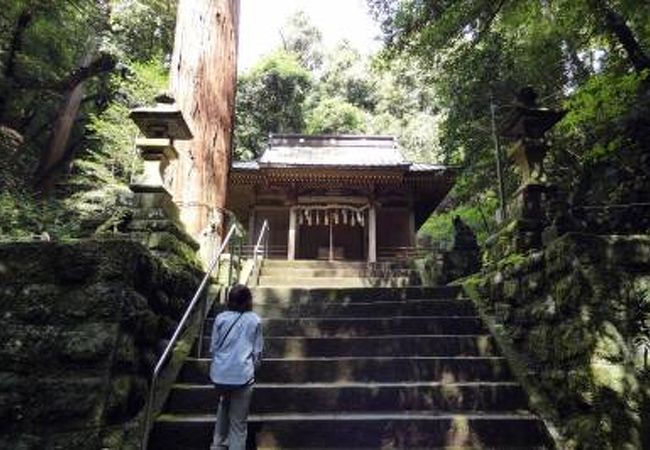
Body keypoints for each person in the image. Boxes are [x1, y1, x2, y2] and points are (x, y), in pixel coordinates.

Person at [209, 284, 263, 450]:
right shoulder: (254, 320)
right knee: (238, 425)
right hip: (242, 377)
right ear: (248, 301)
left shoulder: (220, 318)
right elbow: (258, 353)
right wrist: (252, 370)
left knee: (224, 406)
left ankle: (218, 445)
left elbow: (213, 349)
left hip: (220, 376)